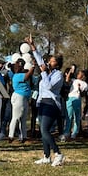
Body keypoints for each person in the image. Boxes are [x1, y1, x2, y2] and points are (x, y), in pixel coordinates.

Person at [28, 35, 65, 167]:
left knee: (45, 130)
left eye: (53, 61)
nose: (50, 62)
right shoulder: (47, 72)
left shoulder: (58, 75)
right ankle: (46, 156)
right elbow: (39, 59)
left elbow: (49, 86)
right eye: (50, 60)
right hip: (42, 102)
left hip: (51, 103)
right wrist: (33, 46)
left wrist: (43, 73)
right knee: (42, 130)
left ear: (58, 64)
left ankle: (58, 153)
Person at [8, 57, 34, 143]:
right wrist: (33, 67)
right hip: (19, 97)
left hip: (24, 98)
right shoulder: (17, 76)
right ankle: (11, 136)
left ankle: (24, 136)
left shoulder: (20, 74)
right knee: (16, 117)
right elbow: (27, 76)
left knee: (23, 118)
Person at [64, 66, 88, 141]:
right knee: (68, 116)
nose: (78, 74)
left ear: (83, 76)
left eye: (80, 73)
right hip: (69, 98)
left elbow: (84, 94)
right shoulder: (73, 80)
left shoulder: (84, 84)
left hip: (77, 98)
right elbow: (67, 80)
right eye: (78, 73)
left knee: (76, 117)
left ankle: (74, 133)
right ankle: (67, 132)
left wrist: (80, 89)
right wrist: (70, 72)